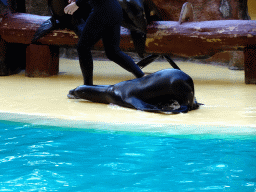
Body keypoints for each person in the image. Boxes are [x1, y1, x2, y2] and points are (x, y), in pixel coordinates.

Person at [64, 0, 145, 96]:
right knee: (112, 52)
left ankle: (87, 88)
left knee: (83, 47)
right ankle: (143, 78)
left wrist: (77, 3)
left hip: (102, 9)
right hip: (114, 8)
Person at [69, 69, 200, 113]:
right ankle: (187, 102)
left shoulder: (119, 94)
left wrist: (154, 108)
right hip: (177, 79)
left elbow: (139, 104)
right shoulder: (119, 88)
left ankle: (186, 104)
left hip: (176, 81)